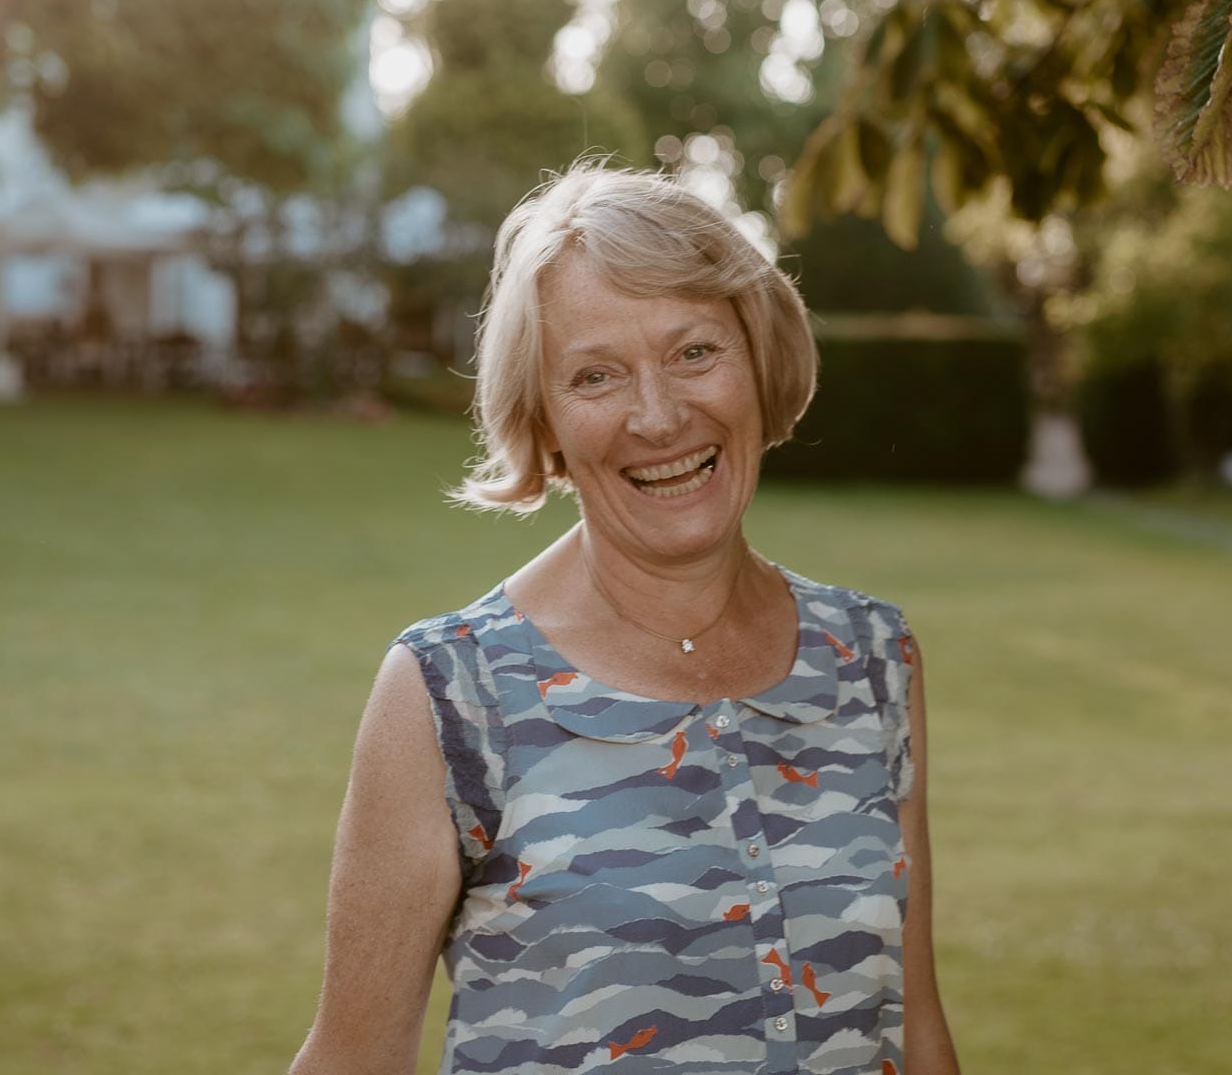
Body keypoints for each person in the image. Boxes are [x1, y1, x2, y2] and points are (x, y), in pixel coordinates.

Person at [291, 166, 960, 1074]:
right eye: (597, 375)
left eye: (694, 353)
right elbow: (351, 1060)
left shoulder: (873, 659)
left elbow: (914, 1027)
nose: (657, 416)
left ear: (760, 362)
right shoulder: (451, 692)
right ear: (546, 420)